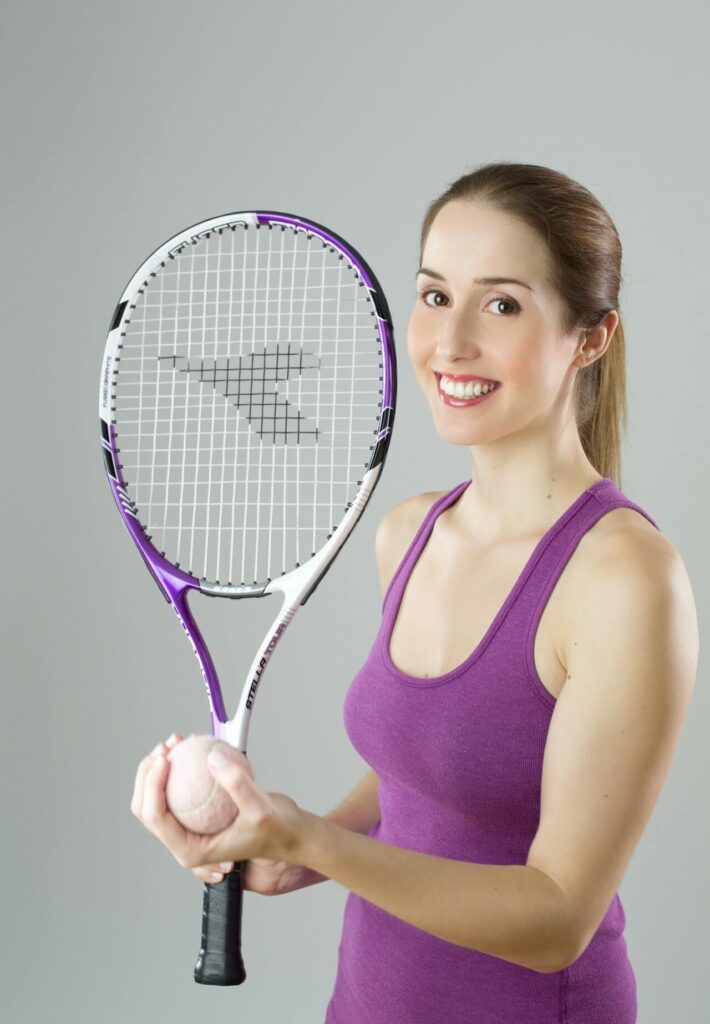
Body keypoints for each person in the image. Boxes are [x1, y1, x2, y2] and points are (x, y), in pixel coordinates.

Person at [131, 161, 698, 1023]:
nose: (450, 342)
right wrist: (302, 848)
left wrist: (313, 840)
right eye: (435, 295)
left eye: (502, 304)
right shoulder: (411, 533)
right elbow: (427, 776)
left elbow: (557, 918)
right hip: (365, 1002)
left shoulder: (623, 578)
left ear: (591, 337)